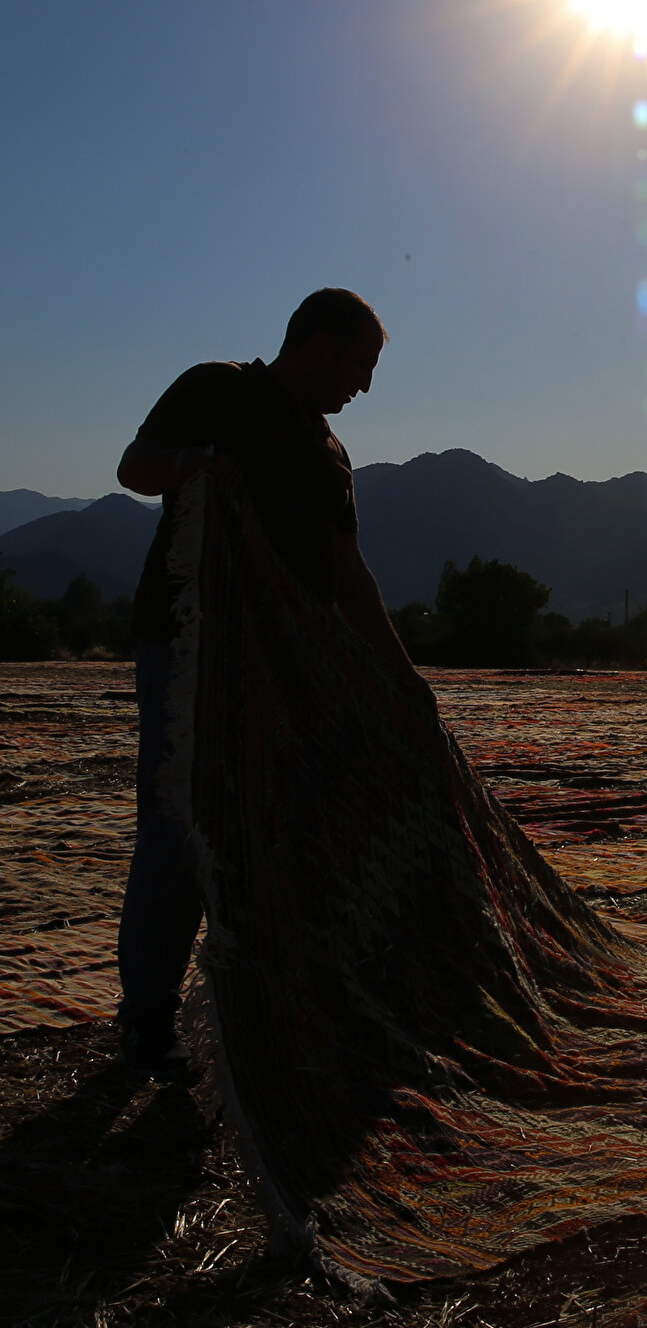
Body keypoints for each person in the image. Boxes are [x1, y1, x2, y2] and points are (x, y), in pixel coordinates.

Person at [115, 287, 419, 1076]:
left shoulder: (330, 452)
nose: (365, 384)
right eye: (360, 363)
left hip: (291, 670)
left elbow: (349, 575)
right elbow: (134, 466)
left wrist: (402, 678)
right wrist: (203, 468)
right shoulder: (217, 389)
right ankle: (147, 1023)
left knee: (281, 831)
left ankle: (263, 1010)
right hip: (190, 652)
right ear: (316, 344)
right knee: (182, 828)